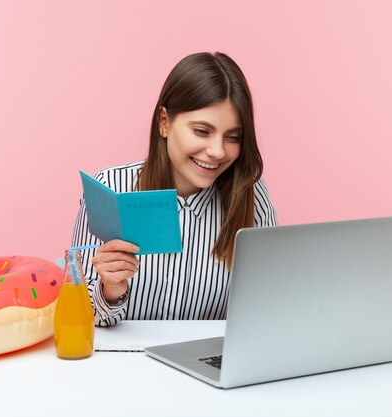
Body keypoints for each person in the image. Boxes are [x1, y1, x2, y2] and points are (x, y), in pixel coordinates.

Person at [71, 52, 277, 327]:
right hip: (122, 362)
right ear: (164, 122)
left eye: (232, 137)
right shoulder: (111, 189)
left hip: (207, 363)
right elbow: (80, 315)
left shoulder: (251, 196)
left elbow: (268, 310)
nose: (217, 151)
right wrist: (111, 290)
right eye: (202, 131)